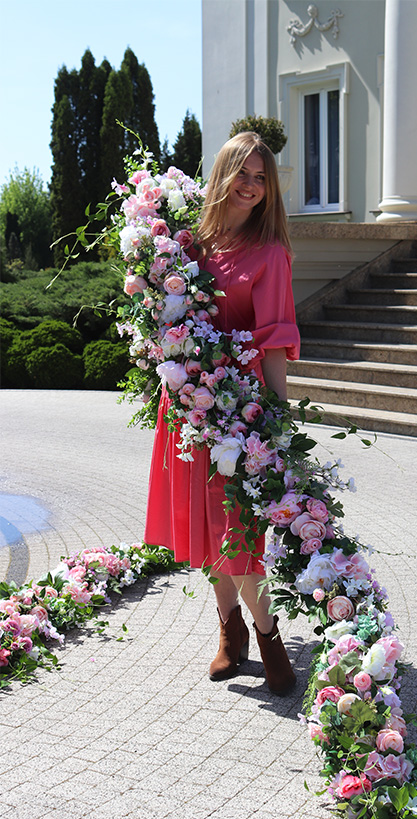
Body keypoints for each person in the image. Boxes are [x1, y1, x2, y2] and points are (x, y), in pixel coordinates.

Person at [144, 132, 300, 695]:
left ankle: (268, 636)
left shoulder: (270, 253)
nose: (252, 187)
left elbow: (276, 340)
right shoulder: (187, 246)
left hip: (237, 413)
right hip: (186, 407)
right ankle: (229, 631)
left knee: (239, 529)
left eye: (262, 178)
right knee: (212, 529)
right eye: (243, 174)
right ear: (222, 175)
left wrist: (278, 421)